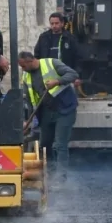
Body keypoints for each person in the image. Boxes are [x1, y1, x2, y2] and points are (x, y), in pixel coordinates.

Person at [18, 51, 79, 182]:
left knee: (59, 144)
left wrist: (57, 81)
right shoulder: (26, 76)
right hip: (45, 113)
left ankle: (61, 177)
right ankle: (49, 174)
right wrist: (27, 122)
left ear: (30, 61)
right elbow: (29, 101)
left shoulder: (52, 63)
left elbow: (73, 74)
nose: (22, 69)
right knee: (45, 145)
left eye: (23, 66)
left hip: (64, 110)